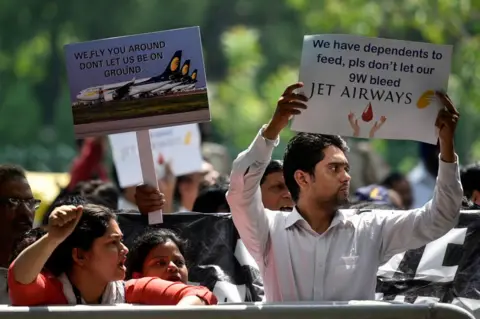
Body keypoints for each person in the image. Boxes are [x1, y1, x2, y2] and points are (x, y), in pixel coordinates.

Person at [226, 82, 463, 302]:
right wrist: (273, 129)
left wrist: (447, 148)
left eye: (346, 168)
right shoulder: (268, 231)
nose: (346, 176)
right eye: (334, 168)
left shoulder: (370, 229)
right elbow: (240, 190)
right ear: (302, 178)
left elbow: (439, 218)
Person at [8, 204, 217, 306]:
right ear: (80, 256)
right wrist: (53, 238)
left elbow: (200, 294)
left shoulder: (132, 290)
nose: (124, 249)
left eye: (121, 240)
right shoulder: (50, 291)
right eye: (113, 242)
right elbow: (20, 279)